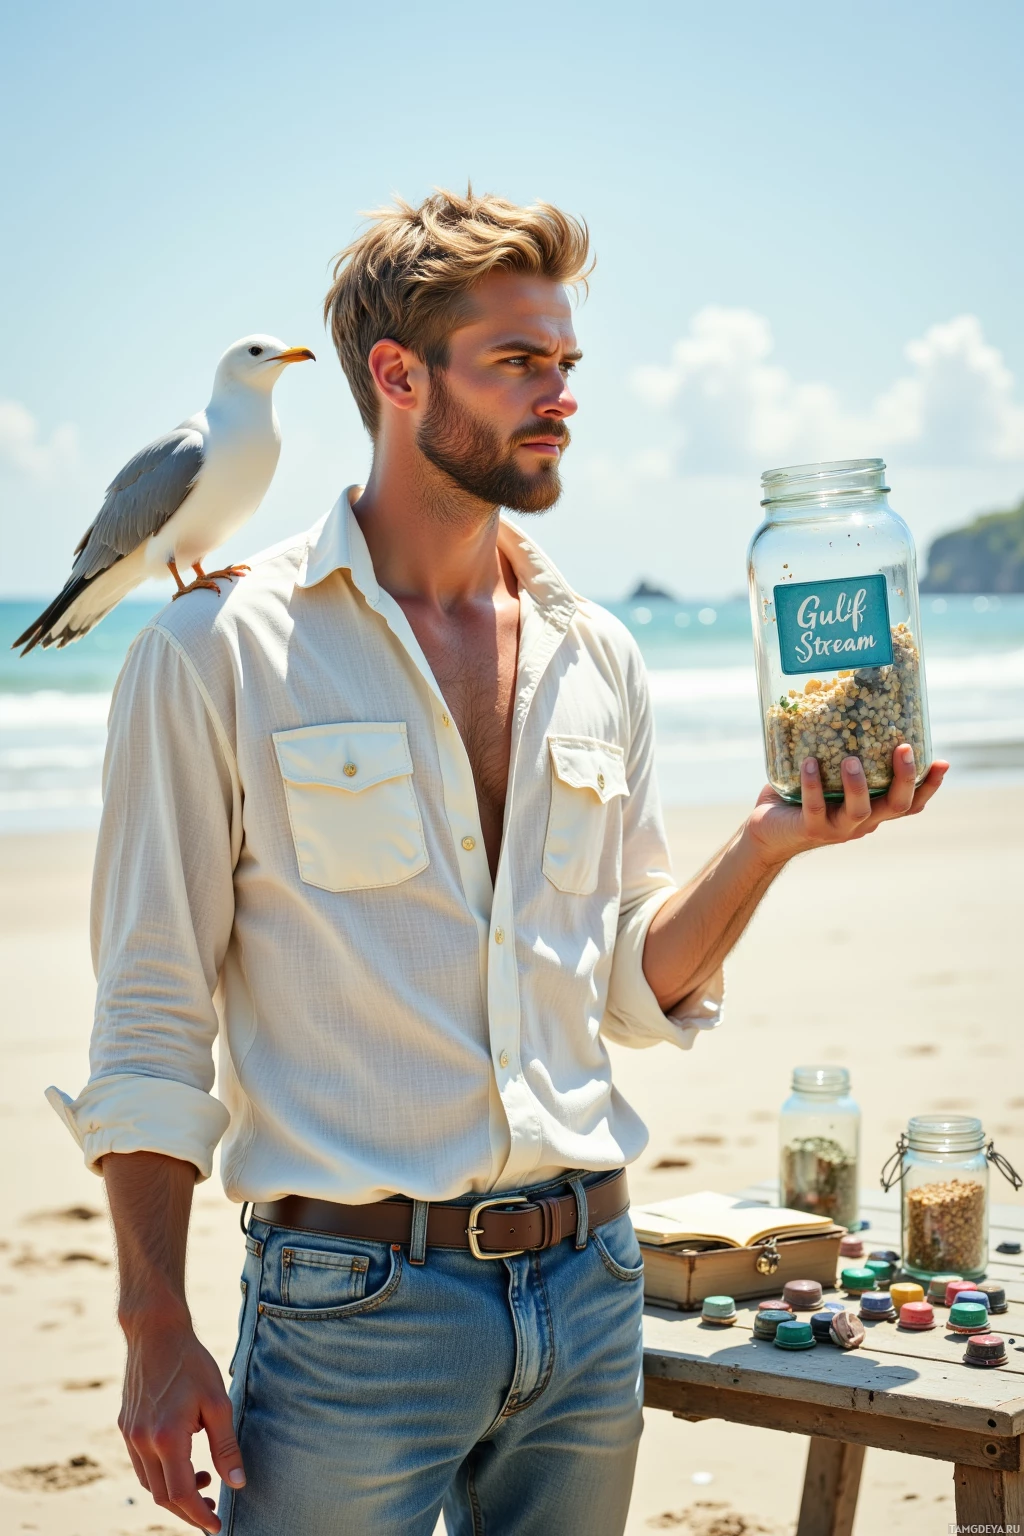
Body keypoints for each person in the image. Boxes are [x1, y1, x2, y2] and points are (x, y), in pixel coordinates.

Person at [48, 189, 948, 1536]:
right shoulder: (214, 654)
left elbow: (631, 983)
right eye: (519, 363)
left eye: (567, 365)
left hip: (592, 1295)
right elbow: (151, 1016)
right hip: (353, 1317)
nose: (561, 397)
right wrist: (153, 1321)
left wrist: (771, 843)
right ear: (397, 377)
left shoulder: (600, 654)